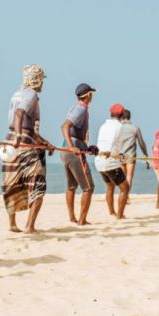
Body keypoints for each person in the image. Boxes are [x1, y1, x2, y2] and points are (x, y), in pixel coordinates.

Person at [2, 65, 53, 234]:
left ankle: (12, 224)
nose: (42, 84)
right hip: (21, 141)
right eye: (41, 79)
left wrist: (45, 144)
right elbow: (19, 114)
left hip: (9, 142)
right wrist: (19, 136)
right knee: (38, 184)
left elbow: (33, 132)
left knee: (13, 183)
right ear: (35, 79)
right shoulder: (31, 94)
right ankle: (30, 227)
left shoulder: (16, 93)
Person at [59, 83, 97, 226]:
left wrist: (88, 148)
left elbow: (75, 133)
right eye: (91, 94)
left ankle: (72, 217)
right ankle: (82, 220)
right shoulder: (81, 109)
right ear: (88, 95)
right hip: (72, 150)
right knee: (88, 187)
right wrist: (71, 147)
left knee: (71, 186)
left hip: (68, 149)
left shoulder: (76, 107)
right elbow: (65, 126)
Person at [94, 103, 132, 219]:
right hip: (110, 161)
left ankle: (112, 212)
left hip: (99, 161)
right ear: (121, 115)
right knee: (125, 188)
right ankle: (120, 216)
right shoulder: (119, 127)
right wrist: (125, 157)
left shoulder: (103, 126)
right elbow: (117, 147)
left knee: (110, 186)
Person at [115, 109, 149, 198]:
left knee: (122, 177)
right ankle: (126, 195)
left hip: (120, 155)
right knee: (129, 176)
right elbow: (141, 143)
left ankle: (122, 194)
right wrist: (145, 154)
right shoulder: (135, 128)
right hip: (131, 155)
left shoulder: (118, 128)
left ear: (122, 117)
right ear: (130, 117)